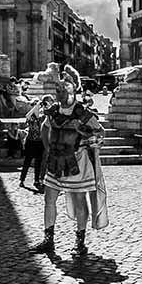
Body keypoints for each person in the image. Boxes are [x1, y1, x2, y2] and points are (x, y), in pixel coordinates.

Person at [38, 70, 106, 262]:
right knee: (49, 199)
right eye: (58, 89)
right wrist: (48, 148)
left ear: (73, 90)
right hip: (56, 161)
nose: (60, 93)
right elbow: (45, 128)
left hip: (77, 162)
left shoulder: (83, 113)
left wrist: (89, 139)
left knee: (79, 201)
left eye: (64, 89)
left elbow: (100, 134)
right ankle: (48, 240)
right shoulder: (53, 111)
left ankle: (80, 241)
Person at [19, 98, 46, 191]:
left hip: (39, 142)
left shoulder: (42, 117)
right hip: (30, 141)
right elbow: (27, 115)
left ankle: (37, 180)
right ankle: (22, 179)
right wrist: (36, 105)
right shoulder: (31, 117)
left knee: (38, 162)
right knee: (27, 161)